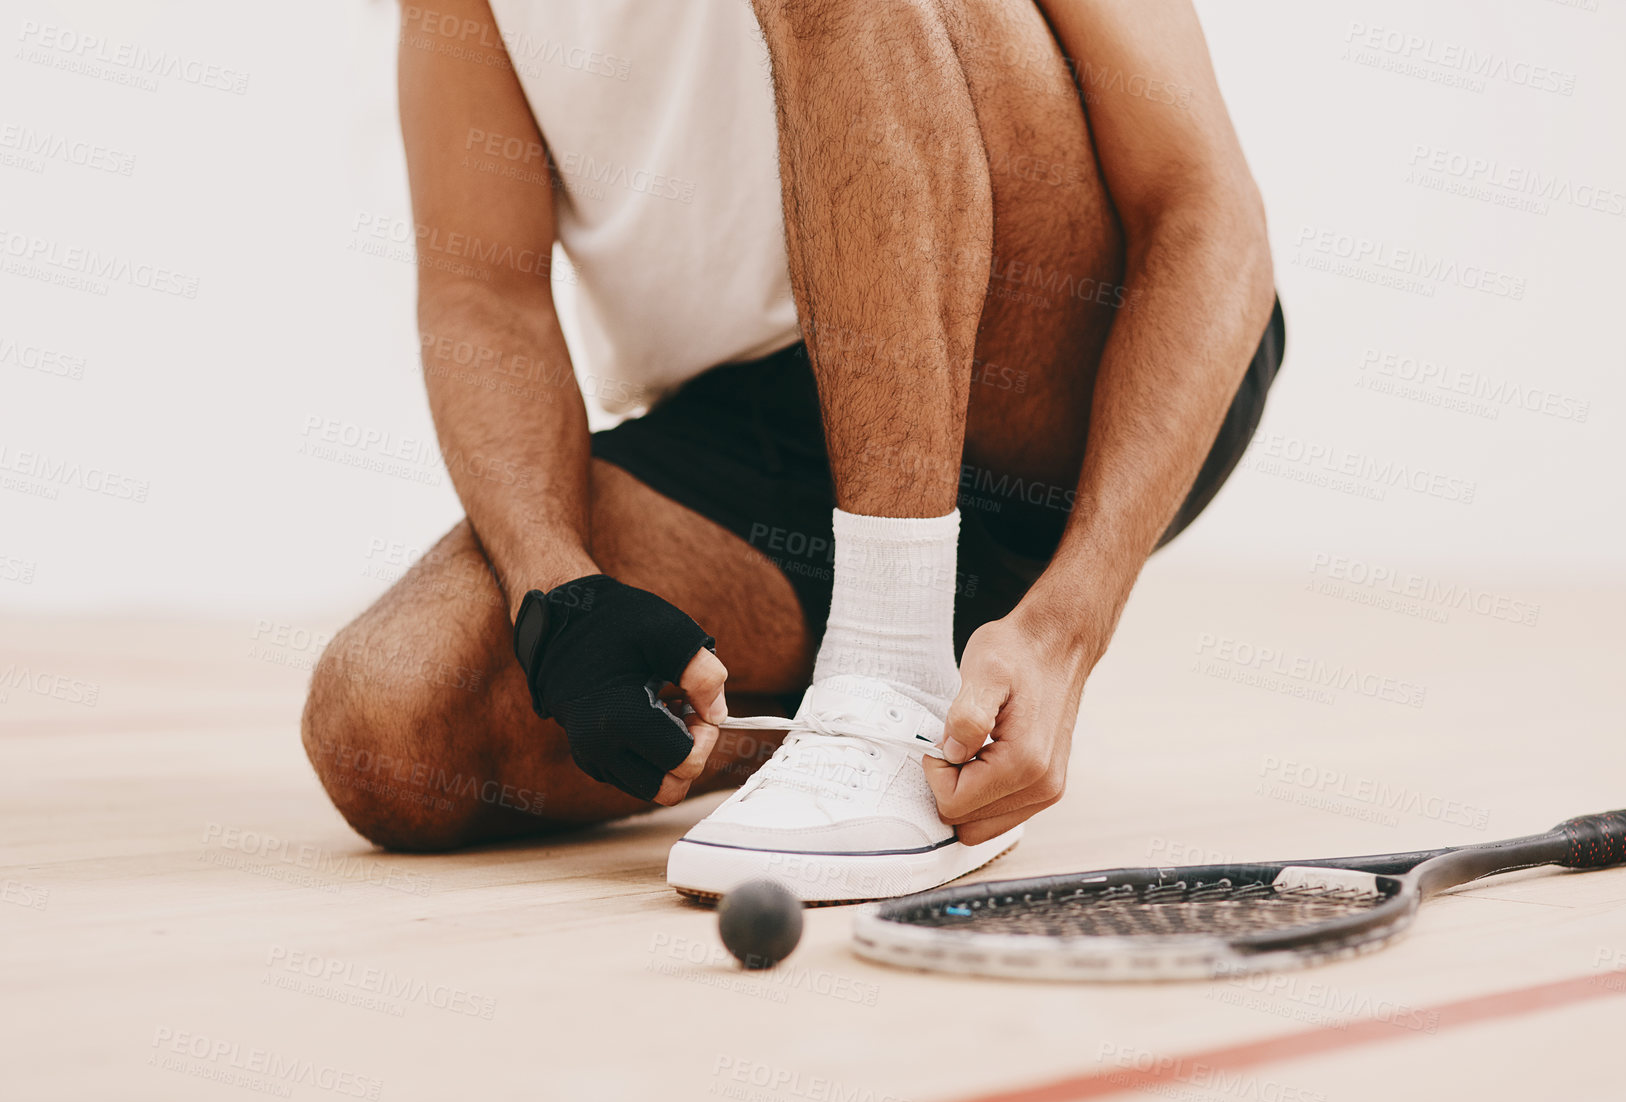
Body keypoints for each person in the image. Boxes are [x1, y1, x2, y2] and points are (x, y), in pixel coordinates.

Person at [301, 0, 1283, 901]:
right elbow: (486, 297)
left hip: (1059, 366)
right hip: (767, 432)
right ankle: (856, 723)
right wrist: (560, 598)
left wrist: (1075, 620)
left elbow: (1207, 213)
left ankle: (893, 658)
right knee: (390, 722)